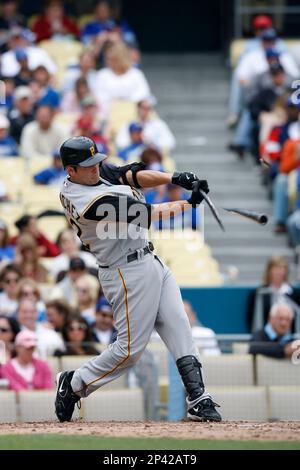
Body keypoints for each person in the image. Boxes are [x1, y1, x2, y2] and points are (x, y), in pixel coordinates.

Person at [54, 135, 221, 422]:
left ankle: (198, 397)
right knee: (129, 351)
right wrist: (189, 203)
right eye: (88, 165)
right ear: (71, 170)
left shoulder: (90, 175)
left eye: (96, 162)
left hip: (149, 258)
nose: (96, 168)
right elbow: (149, 214)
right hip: (124, 270)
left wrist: (175, 176)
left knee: (179, 324)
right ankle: (74, 383)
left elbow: (129, 175)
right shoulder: (85, 201)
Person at [94, 42, 151, 117]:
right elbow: (99, 96)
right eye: (107, 59)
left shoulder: (136, 74)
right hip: (109, 114)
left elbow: (143, 94)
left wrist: (125, 104)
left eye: (113, 59)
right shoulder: (102, 75)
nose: (108, 62)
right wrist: (116, 105)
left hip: (133, 112)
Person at [247, 256, 300, 332]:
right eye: (276, 268)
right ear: (269, 271)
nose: (279, 272)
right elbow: (251, 318)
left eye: (282, 268)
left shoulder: (294, 294)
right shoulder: (258, 293)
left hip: (290, 338)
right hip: (265, 340)